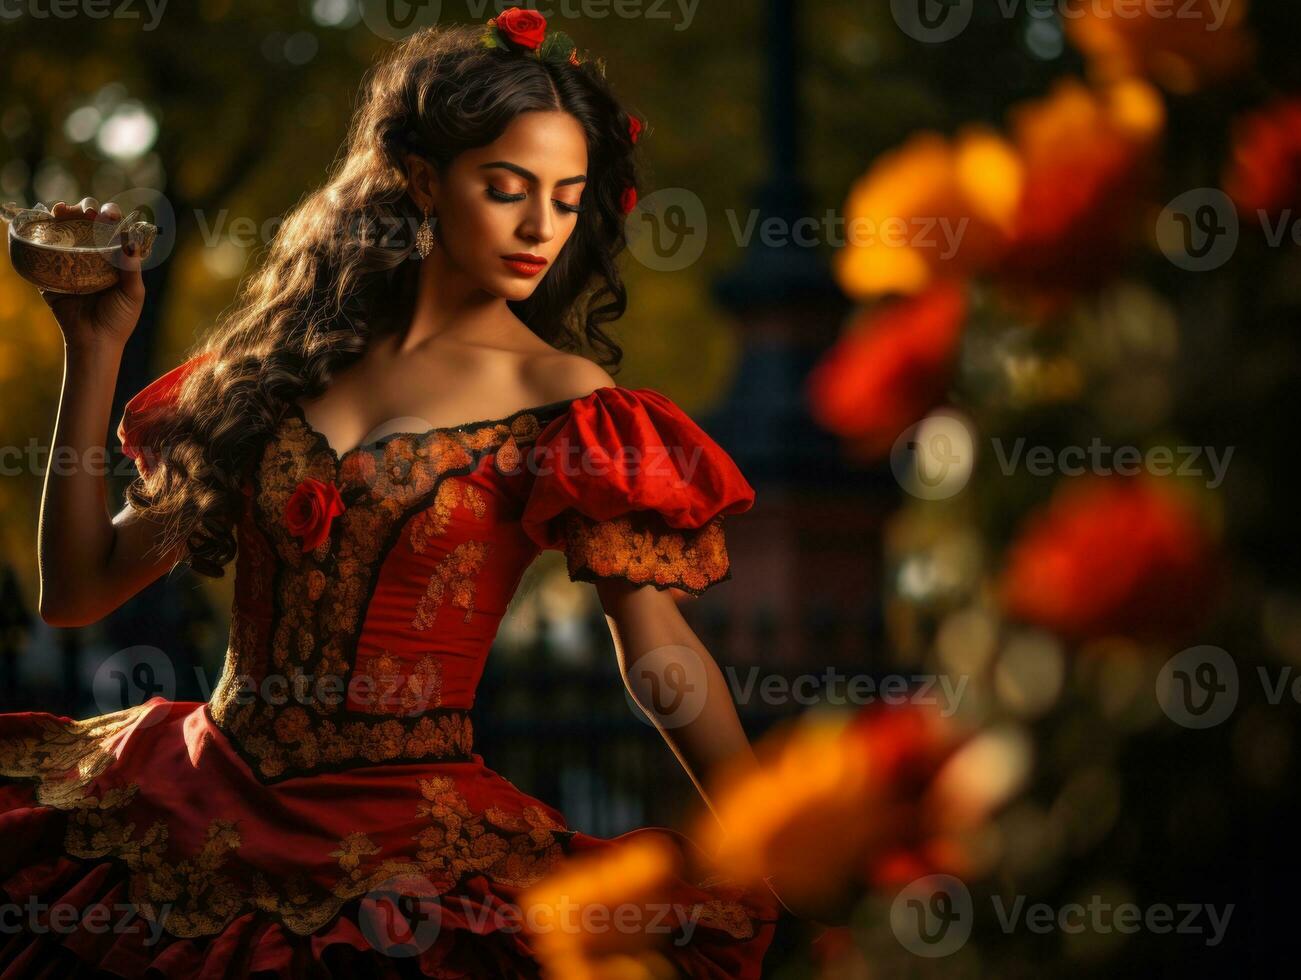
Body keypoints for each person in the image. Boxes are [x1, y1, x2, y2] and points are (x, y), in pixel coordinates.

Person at [1, 10, 791, 977]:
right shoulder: (272, 371)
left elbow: (658, 650)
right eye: (506, 190)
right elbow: (76, 591)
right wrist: (96, 353)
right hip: (189, 810)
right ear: (421, 180)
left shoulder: (567, 403)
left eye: (567, 198)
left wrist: (772, 845)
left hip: (411, 853)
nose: (539, 226)